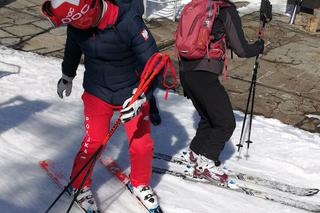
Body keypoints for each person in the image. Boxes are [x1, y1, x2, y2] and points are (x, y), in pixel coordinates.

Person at [41, 0, 162, 212]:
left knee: (142, 143)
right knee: (94, 141)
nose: (79, 28)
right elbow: (72, 49)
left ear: (91, 12)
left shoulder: (128, 20)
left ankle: (140, 182)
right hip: (97, 92)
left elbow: (153, 62)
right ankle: (80, 185)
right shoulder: (76, 23)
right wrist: (67, 76)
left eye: (81, 23)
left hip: (131, 93)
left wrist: (143, 95)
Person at [178, 0, 265, 184]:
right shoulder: (225, 10)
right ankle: (206, 164)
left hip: (186, 71)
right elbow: (241, 49)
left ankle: (195, 152)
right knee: (226, 122)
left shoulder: (195, 5)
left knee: (209, 116)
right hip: (203, 74)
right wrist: (258, 47)